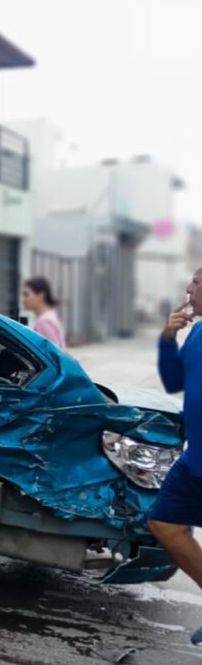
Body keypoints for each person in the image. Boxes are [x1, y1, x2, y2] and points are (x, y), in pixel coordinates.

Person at [147, 267, 201, 645]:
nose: (188, 287)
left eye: (197, 282)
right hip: (194, 459)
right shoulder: (197, 331)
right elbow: (173, 382)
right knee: (164, 522)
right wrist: (168, 339)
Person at [22, 276, 66, 349]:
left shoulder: (44, 321)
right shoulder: (49, 316)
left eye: (26, 295)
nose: (23, 300)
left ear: (40, 296)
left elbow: (53, 353)